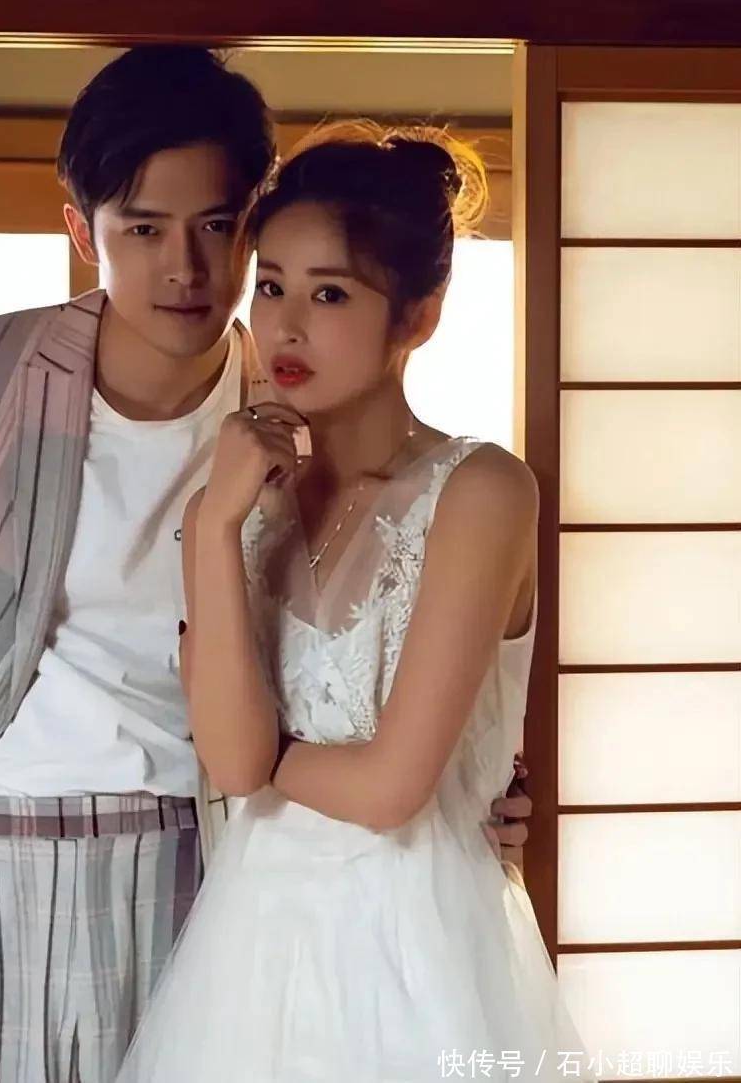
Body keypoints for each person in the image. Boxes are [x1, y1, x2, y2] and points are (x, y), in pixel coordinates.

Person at [0, 48, 532, 1083]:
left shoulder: (293, 414)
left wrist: (468, 784)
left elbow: (382, 658)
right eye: (143, 229)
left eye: (219, 227)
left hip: (196, 874)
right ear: (83, 231)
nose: (186, 269)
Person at [116, 121, 589, 1083]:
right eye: (272, 286)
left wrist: (265, 760)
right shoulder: (231, 508)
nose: (286, 326)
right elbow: (227, 762)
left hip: (418, 949)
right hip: (250, 950)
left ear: (419, 316)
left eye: (330, 294)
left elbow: (386, 789)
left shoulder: (482, 492)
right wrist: (215, 525)